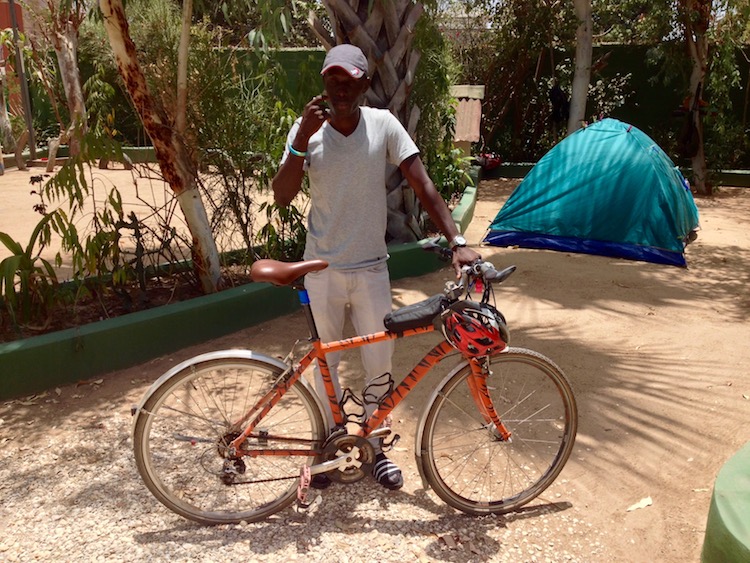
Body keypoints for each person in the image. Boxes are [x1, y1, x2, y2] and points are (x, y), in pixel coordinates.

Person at [272, 44, 481, 490]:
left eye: (348, 81)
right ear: (324, 83)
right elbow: (282, 195)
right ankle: (329, 444)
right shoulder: (307, 129)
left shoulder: (383, 125)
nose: (339, 89)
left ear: (365, 84)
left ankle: (376, 444)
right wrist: (299, 139)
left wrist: (457, 240)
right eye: (332, 81)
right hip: (321, 268)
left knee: (378, 359)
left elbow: (421, 181)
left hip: (370, 268)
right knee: (325, 363)